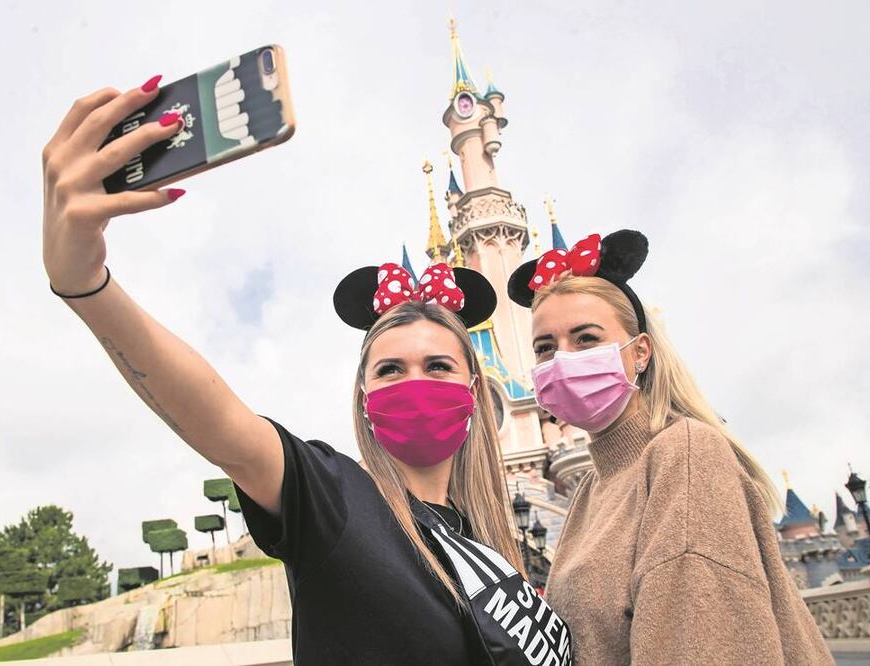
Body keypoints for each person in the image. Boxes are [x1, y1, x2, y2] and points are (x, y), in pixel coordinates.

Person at [42, 79, 574, 665]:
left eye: (438, 365)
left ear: (476, 392)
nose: (415, 381)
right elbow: (221, 423)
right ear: (363, 395)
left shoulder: (488, 541)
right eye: (390, 368)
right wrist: (87, 284)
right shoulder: (338, 502)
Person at [507, 230, 832, 664]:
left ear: (640, 352)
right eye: (545, 348)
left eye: (586, 339)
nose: (562, 359)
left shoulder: (687, 453)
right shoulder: (591, 488)